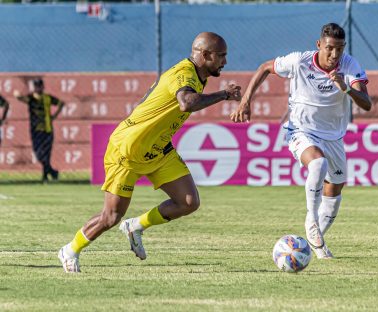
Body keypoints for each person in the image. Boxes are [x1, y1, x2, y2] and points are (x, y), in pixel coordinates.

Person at [58, 32, 242, 273]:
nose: (225, 62)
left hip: (159, 149)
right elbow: (187, 102)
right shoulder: (183, 73)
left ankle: (135, 226)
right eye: (221, 56)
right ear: (205, 55)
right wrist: (224, 94)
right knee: (110, 217)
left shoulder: (197, 75)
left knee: (188, 202)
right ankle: (70, 250)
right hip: (129, 150)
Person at [231, 23, 372, 259]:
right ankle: (311, 218)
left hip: (334, 137)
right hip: (301, 130)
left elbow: (366, 103)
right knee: (318, 164)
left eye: (339, 49)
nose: (334, 54)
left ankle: (313, 243)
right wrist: (246, 100)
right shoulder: (299, 61)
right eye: (329, 48)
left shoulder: (349, 65)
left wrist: (345, 87)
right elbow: (266, 67)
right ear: (319, 45)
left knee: (335, 187)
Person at [13, 79, 64, 183]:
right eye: (36, 86)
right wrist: (17, 95)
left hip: (47, 130)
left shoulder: (48, 98)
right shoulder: (31, 98)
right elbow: (21, 98)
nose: (37, 88)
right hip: (36, 130)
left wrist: (54, 116)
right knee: (38, 154)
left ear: (42, 87)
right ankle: (53, 172)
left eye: (39, 86)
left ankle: (45, 177)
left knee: (46, 155)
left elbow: (61, 104)